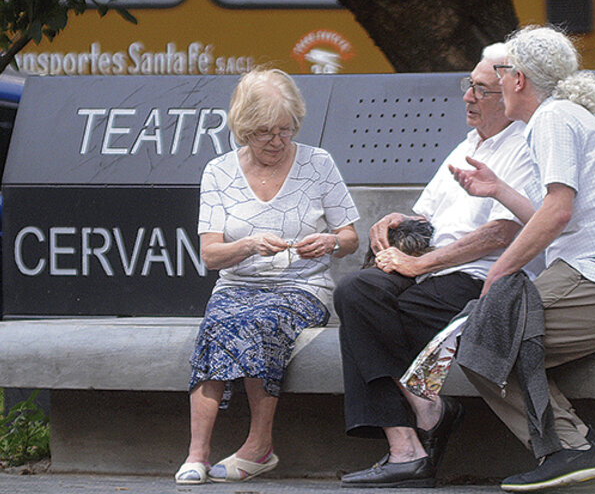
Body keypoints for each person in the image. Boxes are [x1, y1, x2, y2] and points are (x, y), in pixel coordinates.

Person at [450, 25, 595, 492]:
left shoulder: (553, 119)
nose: (493, 83)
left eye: (501, 71)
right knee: (489, 334)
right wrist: (500, 190)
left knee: (484, 337)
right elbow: (555, 214)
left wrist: (501, 268)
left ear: (518, 79)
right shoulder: (564, 117)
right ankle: (576, 441)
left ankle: (568, 449)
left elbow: (558, 211)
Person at [334, 43, 543, 488]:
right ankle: (425, 411)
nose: (467, 96)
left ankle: (404, 449)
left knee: (371, 323)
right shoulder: (466, 144)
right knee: (355, 293)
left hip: (478, 280)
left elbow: (501, 234)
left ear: (508, 94)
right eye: (467, 85)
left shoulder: (525, 146)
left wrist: (419, 264)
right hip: (430, 272)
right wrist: (399, 221)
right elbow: (428, 218)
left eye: (481, 90)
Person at [174, 68, 360, 485]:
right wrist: (249, 245)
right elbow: (210, 255)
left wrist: (328, 242)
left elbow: (351, 238)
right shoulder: (219, 172)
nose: (277, 141)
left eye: (286, 130)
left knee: (262, 321)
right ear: (243, 129)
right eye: (264, 133)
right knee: (218, 323)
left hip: (302, 286)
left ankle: (259, 447)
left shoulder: (318, 163)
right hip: (238, 284)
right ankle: (197, 453)